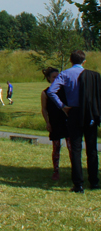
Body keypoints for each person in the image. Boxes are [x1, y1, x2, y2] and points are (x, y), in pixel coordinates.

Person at [46, 50, 101, 193]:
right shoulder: (93, 75)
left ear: (70, 61)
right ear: (84, 61)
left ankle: (78, 184)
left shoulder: (65, 74)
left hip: (73, 112)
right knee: (92, 149)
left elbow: (51, 91)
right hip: (90, 113)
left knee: (76, 149)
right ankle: (94, 182)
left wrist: (62, 106)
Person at [41, 67, 70, 181]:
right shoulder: (46, 93)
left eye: (58, 77)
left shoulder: (65, 90)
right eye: (54, 77)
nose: (56, 79)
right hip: (55, 122)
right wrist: (47, 122)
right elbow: (44, 109)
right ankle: (56, 170)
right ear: (49, 78)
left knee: (71, 147)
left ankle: (74, 169)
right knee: (56, 147)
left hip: (66, 122)